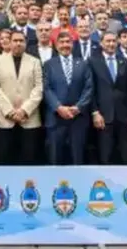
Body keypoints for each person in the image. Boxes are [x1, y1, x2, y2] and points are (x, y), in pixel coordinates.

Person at [0, 28, 43, 165]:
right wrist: (10, 111)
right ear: (9, 43)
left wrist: (24, 110)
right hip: (3, 118)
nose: (18, 43)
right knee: (3, 159)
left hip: (28, 118)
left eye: (21, 41)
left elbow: (38, 88)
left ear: (26, 43)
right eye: (15, 40)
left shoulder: (35, 62)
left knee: (28, 160)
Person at [42, 31, 93, 165]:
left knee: (77, 158)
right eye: (62, 42)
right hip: (55, 118)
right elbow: (46, 88)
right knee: (55, 158)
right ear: (56, 45)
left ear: (73, 44)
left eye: (68, 42)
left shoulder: (83, 63)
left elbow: (88, 88)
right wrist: (58, 107)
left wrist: (78, 107)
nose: (65, 45)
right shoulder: (48, 64)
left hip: (78, 119)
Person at [87, 31, 127, 165]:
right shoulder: (92, 62)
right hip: (103, 116)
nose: (111, 44)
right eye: (107, 41)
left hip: (124, 116)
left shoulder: (125, 62)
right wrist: (95, 112)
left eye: (114, 41)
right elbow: (90, 90)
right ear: (101, 43)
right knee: (105, 156)